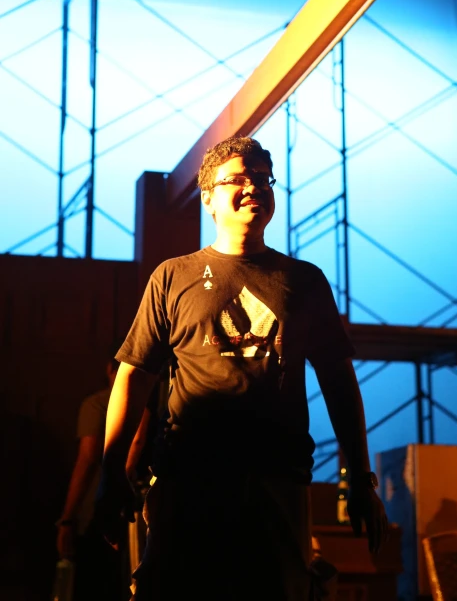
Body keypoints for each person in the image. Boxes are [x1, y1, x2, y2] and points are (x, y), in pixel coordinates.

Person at [97, 136, 388, 601]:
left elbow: (337, 380)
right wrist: (110, 473)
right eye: (237, 178)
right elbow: (135, 375)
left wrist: (360, 478)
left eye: (262, 178)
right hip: (188, 480)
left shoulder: (304, 281)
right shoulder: (173, 277)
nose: (253, 185)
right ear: (208, 198)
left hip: (277, 481)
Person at [57, 357, 151, 601]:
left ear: (110, 368)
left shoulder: (99, 404)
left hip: (99, 515)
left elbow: (87, 461)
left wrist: (68, 518)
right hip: (146, 518)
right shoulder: (158, 405)